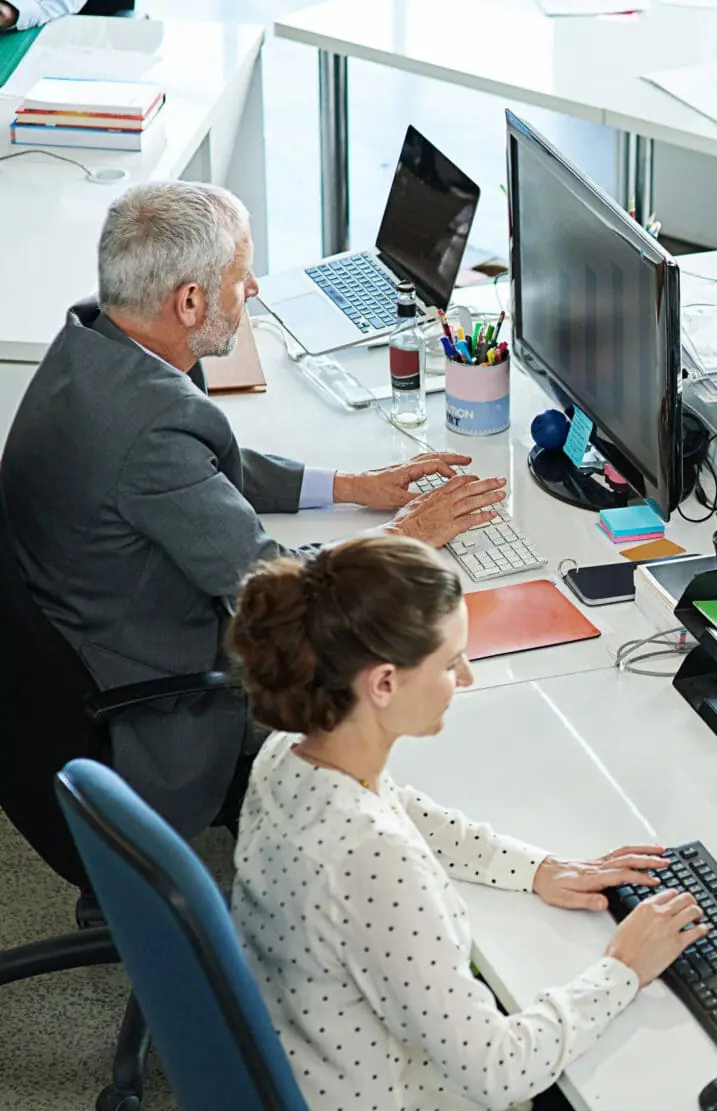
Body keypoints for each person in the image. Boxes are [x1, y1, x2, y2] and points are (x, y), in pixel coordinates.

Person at [226, 536, 708, 1111]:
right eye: (452, 662)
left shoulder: (293, 751)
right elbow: (500, 1069)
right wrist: (622, 967)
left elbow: (404, 809)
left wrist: (537, 867)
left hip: (324, 1104)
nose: (470, 676)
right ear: (384, 681)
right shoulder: (368, 859)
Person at [0, 181, 504, 833]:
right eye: (241, 277)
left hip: (86, 656)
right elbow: (282, 583)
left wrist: (348, 485)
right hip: (160, 719)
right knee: (397, 679)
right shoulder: (149, 432)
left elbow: (199, 464)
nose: (255, 290)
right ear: (189, 301)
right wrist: (407, 537)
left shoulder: (93, 344)